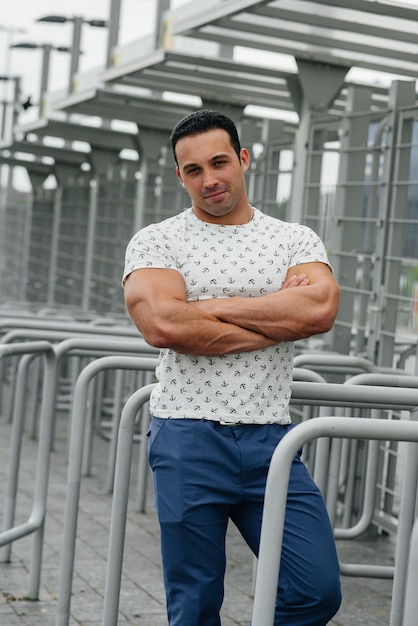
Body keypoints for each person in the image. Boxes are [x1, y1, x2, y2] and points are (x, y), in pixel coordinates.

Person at [123, 109, 342, 626]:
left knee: (316, 589)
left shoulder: (294, 239)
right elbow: (163, 327)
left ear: (244, 159)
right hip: (187, 437)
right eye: (193, 170)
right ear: (180, 176)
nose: (210, 179)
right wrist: (274, 311)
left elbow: (318, 310)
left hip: (272, 441)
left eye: (220, 162)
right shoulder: (157, 240)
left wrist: (201, 307)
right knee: (195, 605)